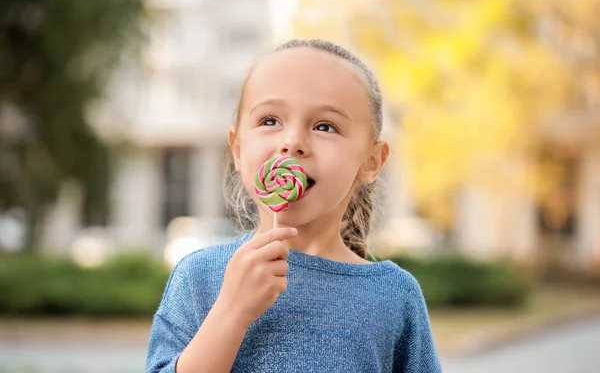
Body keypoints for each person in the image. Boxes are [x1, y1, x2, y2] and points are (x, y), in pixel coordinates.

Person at [146, 39, 442, 373]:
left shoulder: (394, 296)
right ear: (238, 150)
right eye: (270, 121)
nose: (292, 143)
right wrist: (231, 311)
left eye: (325, 126)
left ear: (371, 161)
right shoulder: (198, 277)